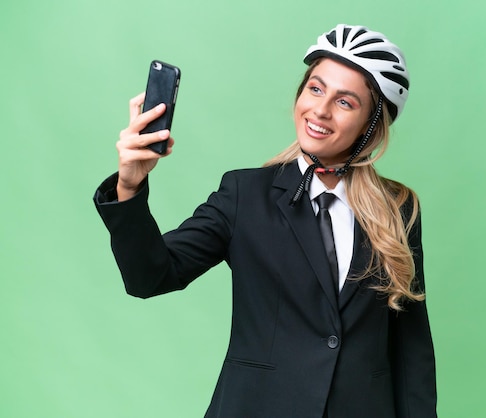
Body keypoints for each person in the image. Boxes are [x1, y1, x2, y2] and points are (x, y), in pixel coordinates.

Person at [94, 24, 437, 418]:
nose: (320, 111)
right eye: (315, 88)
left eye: (345, 102)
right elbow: (149, 277)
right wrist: (130, 185)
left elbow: (412, 350)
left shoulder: (399, 209)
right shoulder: (245, 195)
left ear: (372, 125)